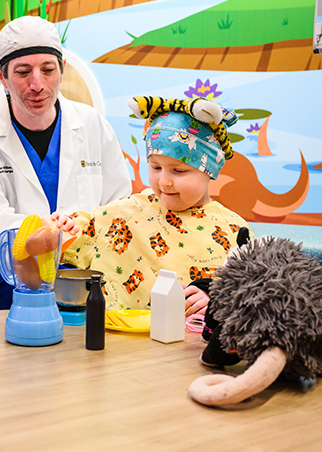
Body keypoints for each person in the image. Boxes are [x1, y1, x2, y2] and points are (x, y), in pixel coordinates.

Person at [0, 16, 131, 311]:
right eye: (23, 72)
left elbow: (118, 205)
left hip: (85, 260)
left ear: (61, 71)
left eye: (48, 70)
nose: (37, 84)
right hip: (9, 268)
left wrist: (77, 230)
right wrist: (40, 232)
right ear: (2, 76)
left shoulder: (91, 124)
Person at [52, 96, 250, 316]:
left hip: (187, 345)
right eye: (155, 167)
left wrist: (213, 299)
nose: (164, 181)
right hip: (113, 339)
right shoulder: (128, 213)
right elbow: (78, 233)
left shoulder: (233, 231)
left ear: (209, 169)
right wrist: (63, 227)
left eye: (179, 170)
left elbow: (255, 296)